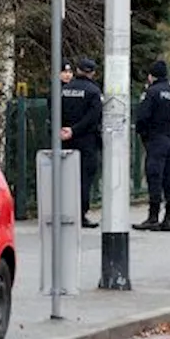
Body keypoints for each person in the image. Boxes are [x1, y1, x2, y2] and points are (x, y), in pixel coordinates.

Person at [133, 60, 170, 231]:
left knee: (154, 176)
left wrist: (144, 134)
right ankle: (169, 218)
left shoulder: (151, 93)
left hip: (155, 139)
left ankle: (153, 217)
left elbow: (142, 117)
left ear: (151, 76)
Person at [60, 57, 104, 228]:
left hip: (64, 138)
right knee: (84, 178)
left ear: (77, 70)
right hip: (86, 140)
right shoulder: (93, 91)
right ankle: (81, 214)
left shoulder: (64, 89)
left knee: (66, 177)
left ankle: (65, 211)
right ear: (92, 73)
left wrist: (64, 129)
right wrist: (76, 130)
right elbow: (93, 117)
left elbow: (54, 109)